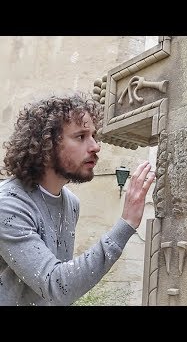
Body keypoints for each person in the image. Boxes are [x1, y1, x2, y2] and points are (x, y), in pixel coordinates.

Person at [0, 93, 155, 305]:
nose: (95, 146)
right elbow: (56, 285)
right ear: (46, 145)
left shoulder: (71, 203)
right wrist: (126, 224)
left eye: (94, 135)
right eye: (81, 137)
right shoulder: (9, 205)